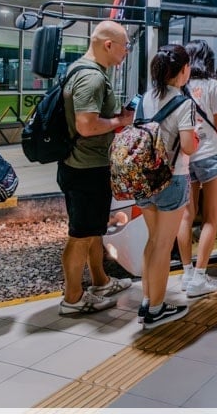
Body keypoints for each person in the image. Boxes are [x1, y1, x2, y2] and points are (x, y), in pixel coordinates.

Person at [57, 21, 134, 316]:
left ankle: (100, 281)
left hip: (83, 164)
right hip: (85, 167)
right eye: (125, 45)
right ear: (108, 45)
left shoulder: (82, 70)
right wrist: (120, 122)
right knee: (80, 235)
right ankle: (73, 299)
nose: (127, 51)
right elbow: (86, 125)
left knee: (92, 230)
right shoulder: (92, 79)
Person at [137, 44, 199, 328]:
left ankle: (147, 300)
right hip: (172, 179)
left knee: (152, 242)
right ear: (183, 70)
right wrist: (196, 139)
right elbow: (187, 146)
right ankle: (157, 310)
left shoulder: (143, 99)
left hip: (144, 179)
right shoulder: (184, 103)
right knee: (163, 246)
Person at [176, 41, 217, 298]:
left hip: (186, 157)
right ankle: (200, 277)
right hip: (211, 155)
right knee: (211, 217)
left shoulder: (178, 85)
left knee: (186, 216)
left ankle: (186, 272)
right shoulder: (213, 86)